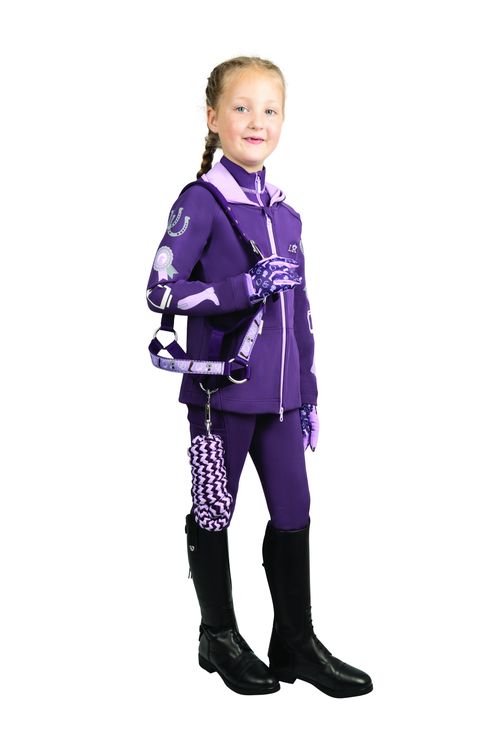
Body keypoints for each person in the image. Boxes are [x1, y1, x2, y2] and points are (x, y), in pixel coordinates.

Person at [146, 55, 373, 698]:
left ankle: (294, 641)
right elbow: (160, 288)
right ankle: (217, 637)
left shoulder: (287, 215)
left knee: (295, 512)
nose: (256, 121)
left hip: (281, 402)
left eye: (270, 110)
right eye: (241, 108)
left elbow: (300, 314)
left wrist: (309, 394)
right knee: (214, 512)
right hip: (220, 396)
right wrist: (242, 286)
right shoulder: (201, 202)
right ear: (213, 119)